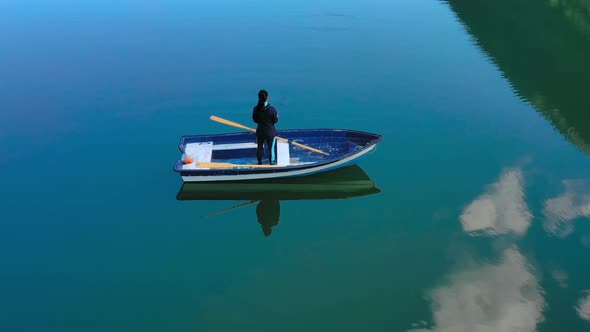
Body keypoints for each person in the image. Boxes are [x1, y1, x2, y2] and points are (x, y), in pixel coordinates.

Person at [252, 89, 279, 165]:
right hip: (270, 132)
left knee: (259, 148)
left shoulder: (255, 109)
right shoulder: (272, 109)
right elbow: (275, 121)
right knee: (271, 149)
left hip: (260, 132)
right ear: (267, 97)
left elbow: (255, 120)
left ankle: (259, 163)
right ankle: (272, 163)